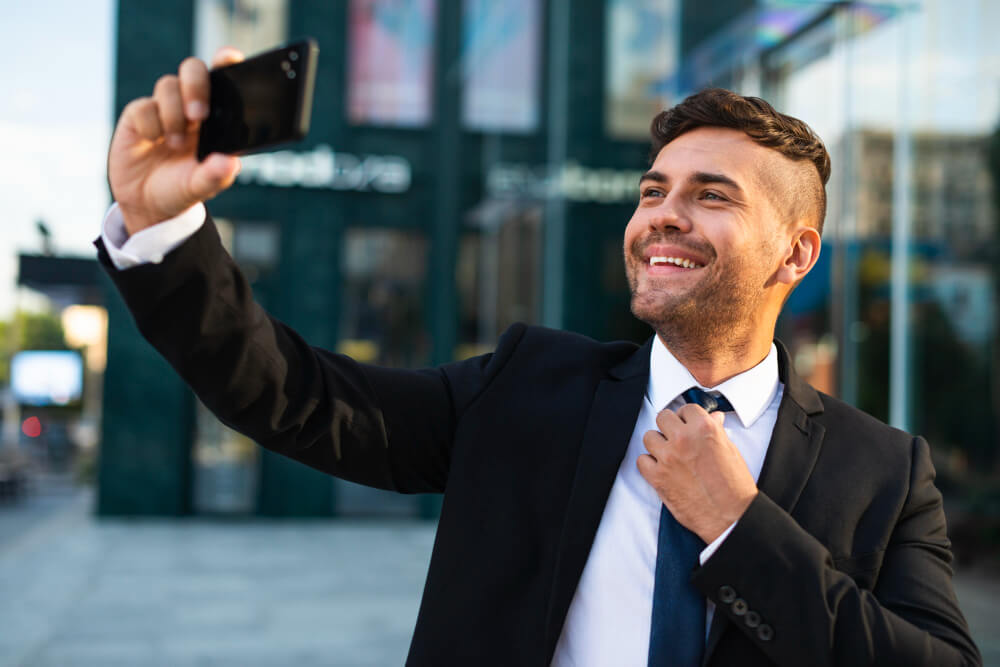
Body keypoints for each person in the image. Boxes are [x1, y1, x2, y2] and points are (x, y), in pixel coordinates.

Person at [97, 48, 981, 667]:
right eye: (652, 191)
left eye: (710, 196)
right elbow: (295, 396)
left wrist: (742, 527)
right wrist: (161, 229)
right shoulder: (527, 385)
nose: (663, 215)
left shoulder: (886, 471)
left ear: (796, 254)